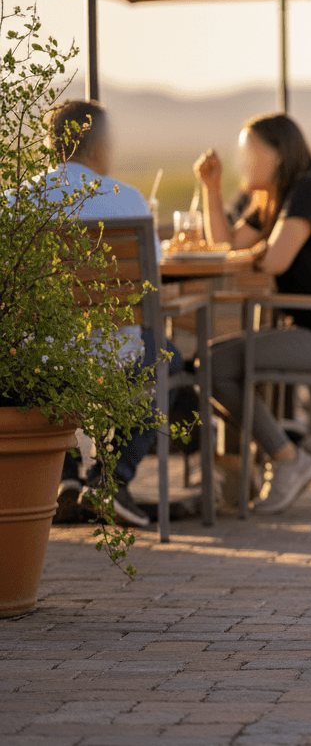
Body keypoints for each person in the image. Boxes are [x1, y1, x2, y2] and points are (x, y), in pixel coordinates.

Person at [194, 113, 311, 514]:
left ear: (279, 154)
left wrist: (252, 255)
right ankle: (269, 460)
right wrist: (211, 188)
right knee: (212, 362)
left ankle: (285, 458)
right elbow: (223, 245)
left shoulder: (309, 190)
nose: (243, 161)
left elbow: (275, 260)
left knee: (213, 363)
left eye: (250, 152)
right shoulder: (272, 199)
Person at [36, 100, 183, 529]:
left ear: (50, 146)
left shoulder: (13, 201)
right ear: (99, 149)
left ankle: (61, 478)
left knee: (45, 365)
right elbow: (149, 282)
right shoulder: (128, 199)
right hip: (115, 353)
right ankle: (110, 480)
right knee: (168, 364)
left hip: (33, 359)